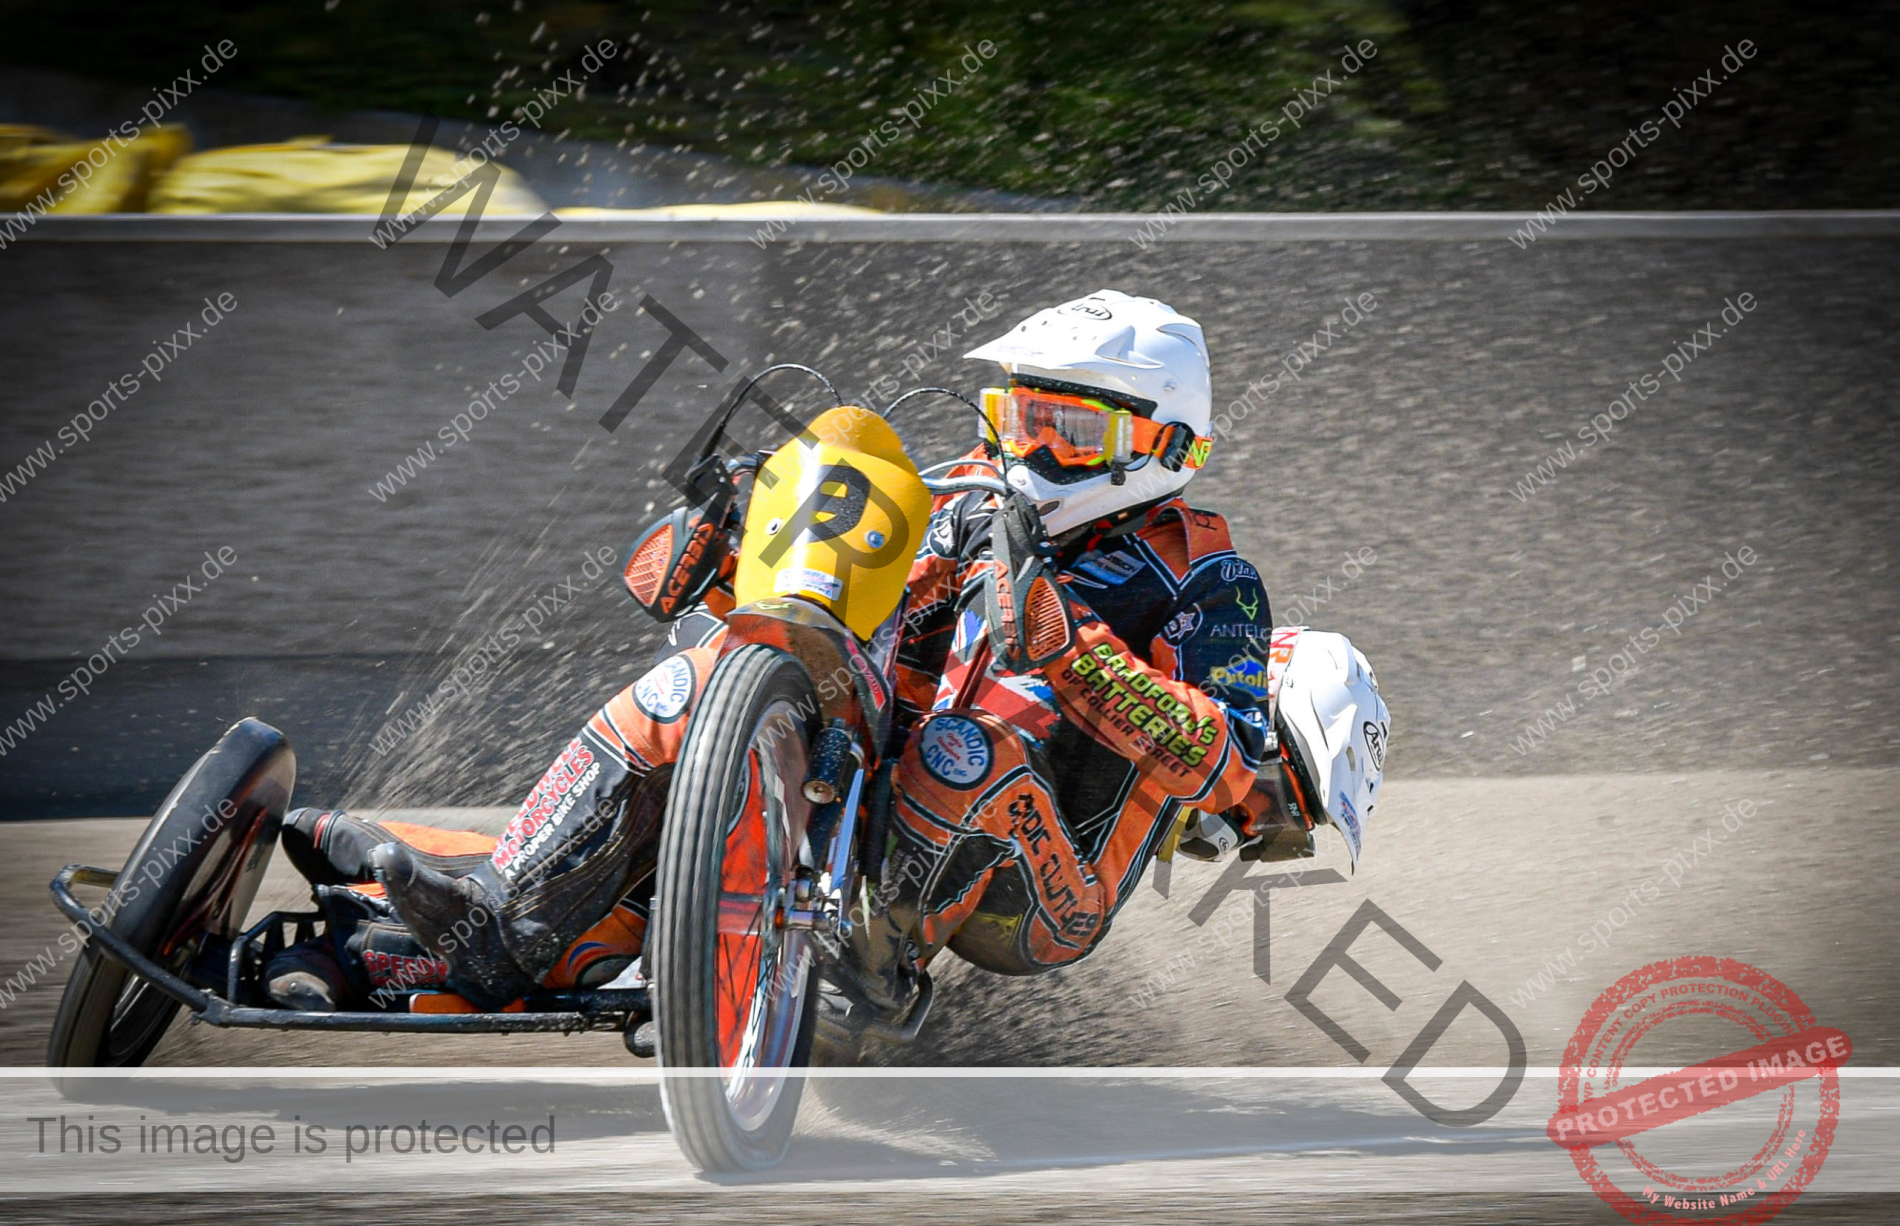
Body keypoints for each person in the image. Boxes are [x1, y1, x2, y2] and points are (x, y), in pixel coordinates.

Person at [264, 290, 1354, 1015]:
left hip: (1044, 880)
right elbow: (738, 620)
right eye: (1017, 415)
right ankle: (491, 926)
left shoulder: (1211, 577)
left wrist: (1071, 650)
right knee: (693, 682)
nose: (1026, 448)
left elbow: (1224, 765)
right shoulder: (952, 501)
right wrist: (731, 541)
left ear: (1164, 447)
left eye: (1067, 432)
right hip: (870, 782)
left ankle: (865, 972)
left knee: (967, 750)